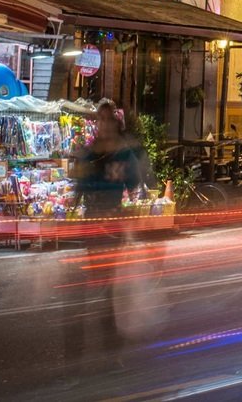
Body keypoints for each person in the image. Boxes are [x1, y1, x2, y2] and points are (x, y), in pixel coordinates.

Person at [65, 99, 149, 356]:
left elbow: (136, 185)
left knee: (106, 281)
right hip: (91, 222)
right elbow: (78, 186)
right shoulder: (88, 152)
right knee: (96, 280)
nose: (104, 124)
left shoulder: (124, 154)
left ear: (115, 123)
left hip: (112, 224)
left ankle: (108, 332)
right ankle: (93, 335)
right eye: (100, 119)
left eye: (108, 119)